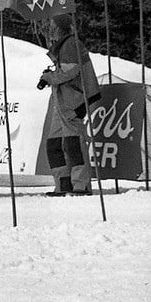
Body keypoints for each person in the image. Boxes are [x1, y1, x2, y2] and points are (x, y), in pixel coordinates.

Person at [38, 15, 101, 196]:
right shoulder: (65, 44)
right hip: (64, 99)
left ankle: (81, 185)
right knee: (54, 143)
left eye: (51, 25)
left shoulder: (71, 44)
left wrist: (49, 77)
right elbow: (67, 70)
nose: (49, 29)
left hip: (73, 100)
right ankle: (64, 183)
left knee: (74, 142)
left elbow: (70, 71)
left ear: (58, 28)